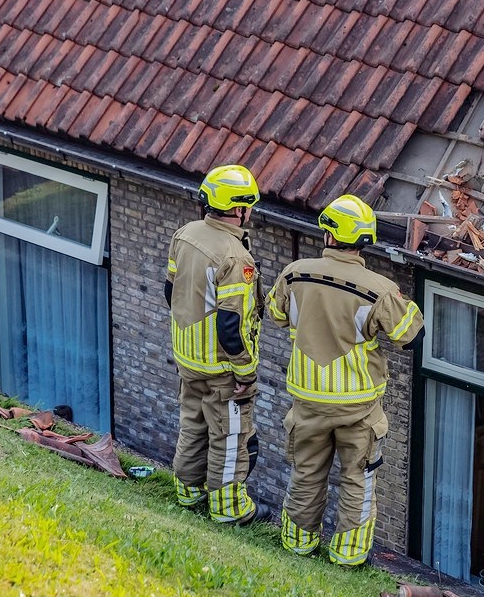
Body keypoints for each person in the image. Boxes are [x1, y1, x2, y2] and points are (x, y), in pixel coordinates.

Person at [268, 194, 424, 565]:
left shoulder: (294, 273)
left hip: (307, 400)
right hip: (358, 406)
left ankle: (297, 544)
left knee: (306, 473)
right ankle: (348, 554)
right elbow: (411, 336)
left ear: (329, 235)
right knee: (358, 479)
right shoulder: (379, 289)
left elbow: (275, 314)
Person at [164, 164, 269, 525]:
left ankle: (187, 490)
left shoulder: (184, 234)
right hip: (222, 367)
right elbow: (232, 323)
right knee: (230, 434)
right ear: (239, 209)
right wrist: (245, 371)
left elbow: (170, 290)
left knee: (192, 422)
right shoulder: (235, 257)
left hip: (187, 356)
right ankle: (228, 508)